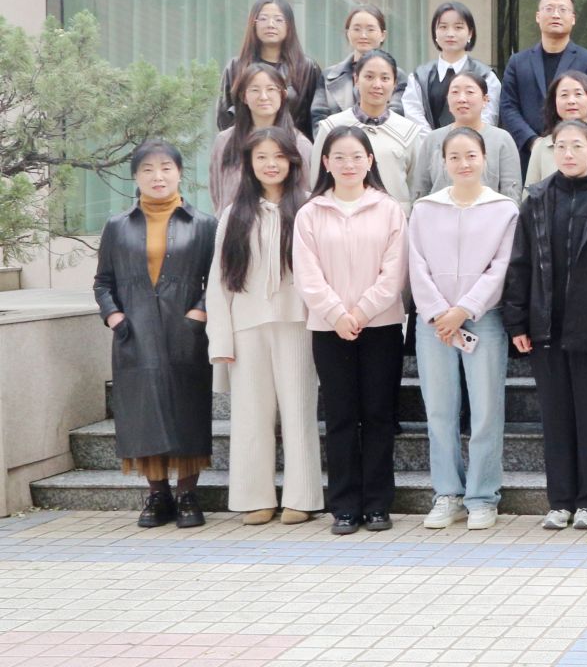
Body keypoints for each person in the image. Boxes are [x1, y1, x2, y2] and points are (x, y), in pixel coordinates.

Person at [505, 119, 587, 531]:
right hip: (547, 325)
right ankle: (560, 501)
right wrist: (517, 320)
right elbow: (520, 264)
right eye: (561, 146)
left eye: (577, 146)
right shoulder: (536, 199)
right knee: (555, 419)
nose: (569, 153)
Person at [95, 140, 218, 529]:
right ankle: (157, 494)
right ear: (136, 176)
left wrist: (199, 311)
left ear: (180, 173)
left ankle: (187, 494)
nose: (157, 176)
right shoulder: (118, 225)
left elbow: (218, 278)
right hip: (135, 330)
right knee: (143, 411)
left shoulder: (203, 224)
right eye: (147, 169)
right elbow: (103, 281)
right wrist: (114, 316)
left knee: (187, 408)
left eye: (166, 168)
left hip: (186, 331)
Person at [293, 126, 407, 535]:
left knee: (378, 415)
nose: (348, 164)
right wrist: (337, 314)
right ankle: (343, 506)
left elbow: (394, 272)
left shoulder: (389, 209)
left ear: (370, 161)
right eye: (339, 157)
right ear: (325, 162)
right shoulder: (310, 213)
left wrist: (361, 311)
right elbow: (307, 276)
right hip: (329, 329)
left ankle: (377, 504)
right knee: (340, 417)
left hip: (381, 326)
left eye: (357, 156)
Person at [405, 127, 519, 531]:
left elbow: (501, 268)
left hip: (483, 318)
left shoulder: (504, 209)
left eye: (471, 155)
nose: (463, 163)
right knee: (439, 410)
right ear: (442, 162)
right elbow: (416, 264)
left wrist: (465, 308)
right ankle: (447, 494)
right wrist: (440, 311)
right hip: (434, 322)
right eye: (454, 157)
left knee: (486, 411)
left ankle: (483, 497)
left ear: (484, 158)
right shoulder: (425, 209)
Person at [206, 128, 318, 526]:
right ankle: (254, 496)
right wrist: (220, 339)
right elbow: (219, 282)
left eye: (279, 156)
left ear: (292, 161)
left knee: (299, 411)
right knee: (250, 416)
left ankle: (302, 496)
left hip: (298, 324)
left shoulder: (309, 207)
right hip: (247, 325)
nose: (271, 164)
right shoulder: (233, 214)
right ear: (249, 165)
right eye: (261, 157)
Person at [498, 0, 587, 166]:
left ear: (573, 19)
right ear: (538, 16)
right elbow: (508, 106)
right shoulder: (517, 62)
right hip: (528, 155)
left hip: (575, 154)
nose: (555, 14)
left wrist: (566, 141)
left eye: (562, 9)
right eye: (549, 9)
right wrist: (532, 141)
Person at [313, 49, 425, 206]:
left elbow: (417, 187)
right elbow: (317, 182)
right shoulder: (331, 127)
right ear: (356, 80)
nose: (377, 85)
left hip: (395, 218)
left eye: (385, 78)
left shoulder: (409, 131)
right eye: (369, 77)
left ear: (394, 84)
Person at [210, 62, 317, 208]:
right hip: (234, 221)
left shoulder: (299, 144)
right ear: (243, 96)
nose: (263, 97)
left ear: (283, 95)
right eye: (255, 90)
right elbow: (217, 193)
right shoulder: (225, 141)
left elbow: (307, 194)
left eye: (271, 89)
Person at [410, 69, 523, 203]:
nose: (462, 99)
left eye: (469, 92)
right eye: (455, 92)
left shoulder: (501, 139)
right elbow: (420, 190)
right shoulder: (432, 139)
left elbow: (511, 193)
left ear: (485, 99)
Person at [216, 0, 320, 137]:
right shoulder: (236, 66)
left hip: (291, 145)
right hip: (245, 145)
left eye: (278, 19)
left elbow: (313, 119)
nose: (270, 24)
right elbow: (224, 117)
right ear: (253, 24)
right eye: (263, 19)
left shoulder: (307, 68)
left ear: (289, 25)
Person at [400, 1, 502, 130]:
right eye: (443, 27)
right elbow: (413, 115)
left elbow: (488, 118)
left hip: (475, 141)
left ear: (470, 33)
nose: (450, 34)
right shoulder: (419, 76)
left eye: (458, 27)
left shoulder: (486, 76)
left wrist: (466, 140)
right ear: (435, 32)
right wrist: (434, 140)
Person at [311, 5, 407, 128]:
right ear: (347, 33)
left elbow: (396, 119)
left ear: (383, 35)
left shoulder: (397, 75)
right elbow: (319, 120)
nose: (363, 35)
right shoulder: (329, 75)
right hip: (336, 139)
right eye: (357, 29)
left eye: (370, 29)